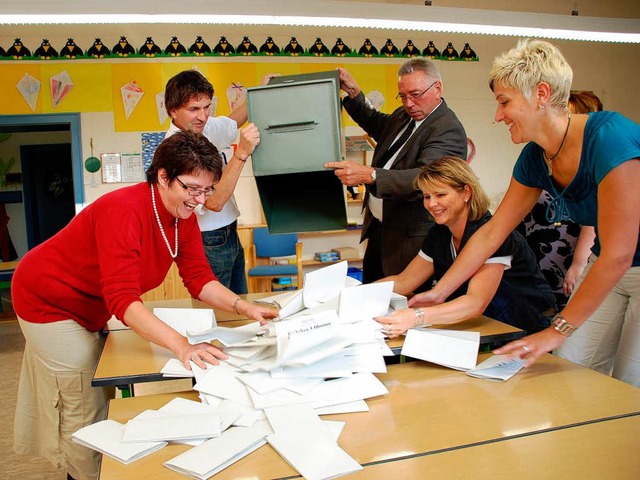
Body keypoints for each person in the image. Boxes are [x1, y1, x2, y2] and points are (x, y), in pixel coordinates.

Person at [11, 131, 278, 480]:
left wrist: (244, 307)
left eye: (206, 190)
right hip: (48, 299)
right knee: (82, 398)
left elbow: (199, 279)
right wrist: (182, 346)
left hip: (90, 302)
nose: (199, 200)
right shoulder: (123, 209)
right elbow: (123, 300)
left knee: (99, 388)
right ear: (164, 176)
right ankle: (83, 474)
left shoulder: (183, 217)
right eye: (192, 189)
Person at [411, 39, 640, 386]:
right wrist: (440, 291)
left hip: (622, 262)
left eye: (505, 102)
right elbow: (491, 233)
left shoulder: (609, 138)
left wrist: (555, 330)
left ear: (541, 94)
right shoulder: (536, 157)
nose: (498, 115)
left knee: (629, 379)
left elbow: (621, 253)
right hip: (607, 261)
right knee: (573, 369)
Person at [375, 157, 555, 338]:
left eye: (440, 195)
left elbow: (475, 303)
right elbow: (404, 281)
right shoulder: (439, 235)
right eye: (427, 196)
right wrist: (355, 294)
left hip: (525, 328)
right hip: (480, 327)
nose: (431, 204)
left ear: (466, 193)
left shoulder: (495, 235)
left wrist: (416, 317)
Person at [325, 58, 467, 287]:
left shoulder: (447, 129)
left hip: (411, 241)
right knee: (371, 298)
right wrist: (354, 91)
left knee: (402, 305)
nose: (409, 103)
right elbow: (377, 123)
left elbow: (425, 179)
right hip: (381, 231)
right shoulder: (405, 115)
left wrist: (370, 175)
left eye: (416, 94)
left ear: (437, 88)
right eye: (403, 96)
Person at [165, 69, 276, 294]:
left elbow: (233, 121)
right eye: (194, 109)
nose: (203, 116)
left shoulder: (201, 126)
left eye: (207, 107)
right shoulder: (176, 148)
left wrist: (258, 92)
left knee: (239, 306)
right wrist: (242, 153)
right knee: (218, 312)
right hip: (208, 239)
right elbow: (213, 202)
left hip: (228, 232)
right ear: (173, 111)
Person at [518, 91, 601, 308]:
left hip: (568, 256)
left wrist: (579, 263)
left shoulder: (591, 165)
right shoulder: (539, 159)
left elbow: (592, 222)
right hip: (538, 257)